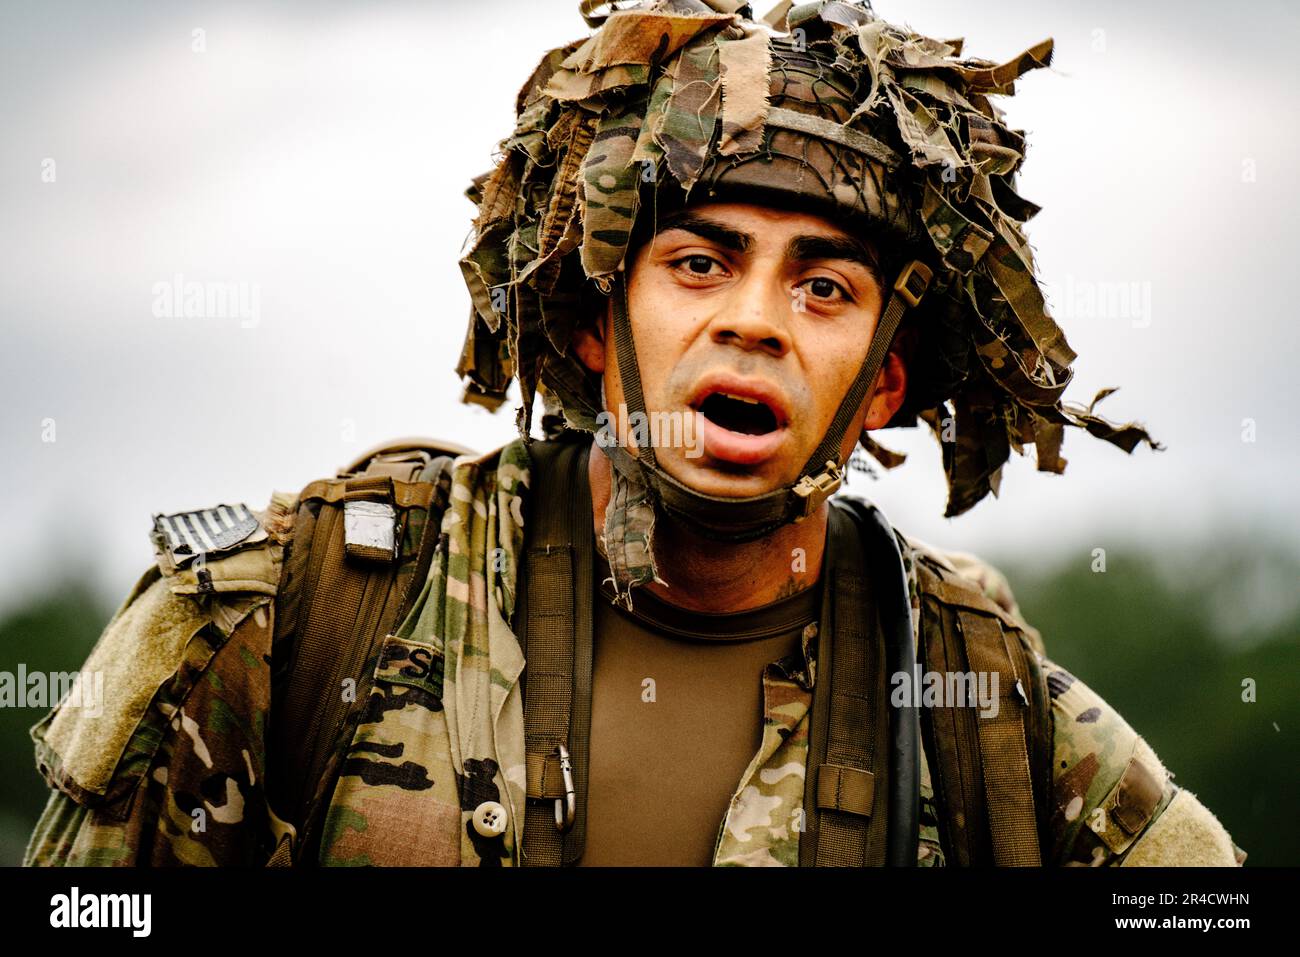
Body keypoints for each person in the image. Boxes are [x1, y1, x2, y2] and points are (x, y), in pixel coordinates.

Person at [24, 0, 1245, 867]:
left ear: (883, 386)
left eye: (824, 287)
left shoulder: (981, 706)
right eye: (699, 263)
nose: (756, 322)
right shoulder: (293, 612)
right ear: (597, 324)